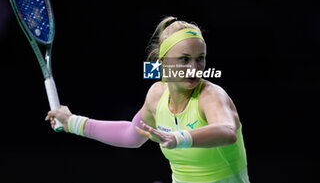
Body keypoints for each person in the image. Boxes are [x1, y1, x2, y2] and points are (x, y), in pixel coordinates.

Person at [45, 16, 250, 183]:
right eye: (184, 59)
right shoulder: (156, 95)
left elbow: (227, 131)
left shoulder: (211, 95)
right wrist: (72, 122)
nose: (194, 68)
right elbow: (130, 135)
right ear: (163, 62)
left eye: (200, 58)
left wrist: (178, 138)